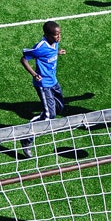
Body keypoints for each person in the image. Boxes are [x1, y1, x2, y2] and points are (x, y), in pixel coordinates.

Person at [19, 21, 66, 157]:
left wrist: (58, 51)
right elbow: (24, 59)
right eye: (56, 35)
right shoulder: (40, 47)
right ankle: (26, 138)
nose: (59, 37)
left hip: (54, 82)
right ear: (47, 35)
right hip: (44, 85)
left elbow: (51, 51)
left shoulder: (54, 42)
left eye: (60, 34)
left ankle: (42, 120)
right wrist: (34, 74)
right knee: (49, 115)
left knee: (59, 108)